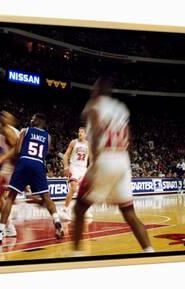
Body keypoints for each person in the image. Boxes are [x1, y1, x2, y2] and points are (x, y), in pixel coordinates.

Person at [72, 77, 153, 253]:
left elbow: (96, 136)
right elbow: (129, 138)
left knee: (79, 209)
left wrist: (95, 166)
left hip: (105, 159)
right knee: (130, 214)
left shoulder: (94, 105)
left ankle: (75, 256)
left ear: (97, 90)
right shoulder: (121, 108)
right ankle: (149, 252)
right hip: (123, 161)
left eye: (93, 87)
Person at [0, 113, 64, 243]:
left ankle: (0, 232)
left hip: (24, 162)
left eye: (32, 119)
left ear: (37, 121)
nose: (30, 120)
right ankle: (57, 221)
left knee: (10, 198)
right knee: (46, 197)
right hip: (38, 164)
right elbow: (45, 153)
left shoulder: (25, 131)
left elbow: (18, 150)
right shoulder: (47, 136)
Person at [0, 111, 21, 237]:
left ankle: (9, 226)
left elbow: (15, 148)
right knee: (2, 196)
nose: (2, 117)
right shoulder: (13, 130)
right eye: (1, 115)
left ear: (10, 119)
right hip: (13, 166)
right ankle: (7, 225)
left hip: (11, 166)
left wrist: (1, 159)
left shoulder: (8, 130)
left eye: (5, 116)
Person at [60, 127, 91, 220]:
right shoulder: (74, 142)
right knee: (73, 187)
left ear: (86, 134)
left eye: (82, 132)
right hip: (74, 167)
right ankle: (64, 210)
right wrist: (66, 166)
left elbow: (92, 158)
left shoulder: (89, 144)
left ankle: (83, 210)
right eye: (79, 132)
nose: (80, 133)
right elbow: (65, 156)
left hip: (83, 168)